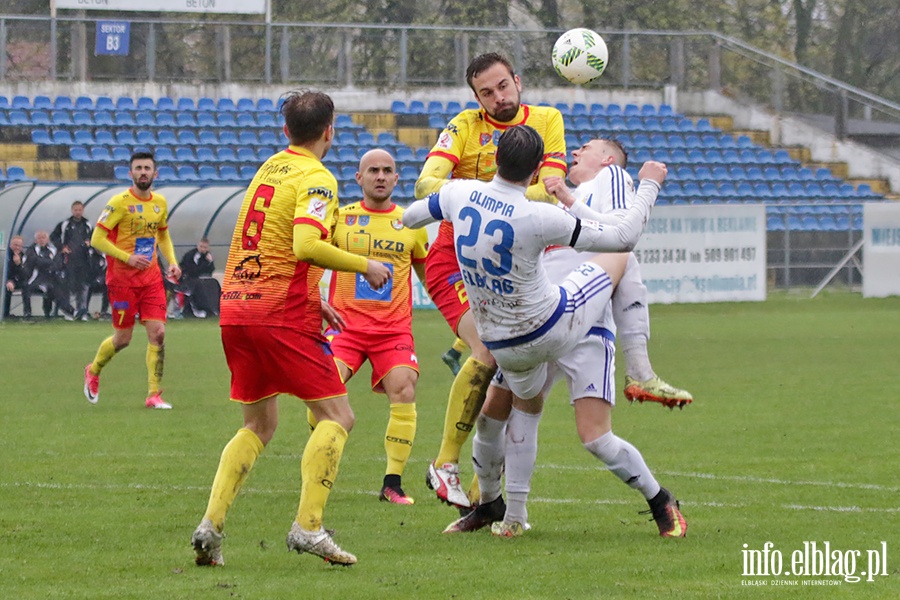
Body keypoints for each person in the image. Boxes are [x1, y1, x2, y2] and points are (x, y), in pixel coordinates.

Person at [444, 137, 688, 539]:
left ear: (607, 159)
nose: (576, 151)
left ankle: (660, 500)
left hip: (585, 322)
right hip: (536, 319)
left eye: (587, 147)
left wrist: (572, 197)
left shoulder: (608, 178)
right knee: (493, 418)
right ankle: (498, 509)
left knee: (595, 438)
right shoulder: (555, 199)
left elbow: (621, 238)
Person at [190, 90, 391, 568]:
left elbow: (277, 238)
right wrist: (366, 264)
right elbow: (304, 244)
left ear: (286, 132)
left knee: (259, 424)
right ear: (329, 130)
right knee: (337, 417)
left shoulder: (270, 167)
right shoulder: (317, 178)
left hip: (238, 308)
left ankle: (211, 526)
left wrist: (315, 297)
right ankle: (309, 527)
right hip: (280, 314)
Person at [404, 125, 661, 402]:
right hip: (549, 330)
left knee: (512, 410)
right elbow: (624, 237)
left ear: (496, 158)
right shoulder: (540, 215)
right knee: (623, 258)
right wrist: (649, 184)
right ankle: (639, 368)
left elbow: (409, 219)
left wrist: (449, 198)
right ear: (538, 168)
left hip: (500, 346)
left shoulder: (458, 192)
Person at [414, 52, 568, 509]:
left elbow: (555, 185)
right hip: (455, 258)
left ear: (517, 82)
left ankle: (487, 496)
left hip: (512, 265)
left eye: (503, 86)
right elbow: (426, 184)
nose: (498, 97)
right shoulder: (463, 126)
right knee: (488, 347)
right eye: (487, 92)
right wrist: (503, 197)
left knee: (509, 372)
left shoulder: (547, 119)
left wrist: (485, 196)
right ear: (476, 97)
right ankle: (444, 464)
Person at [310, 148, 429, 505]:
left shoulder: (411, 225)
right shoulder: (340, 219)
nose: (380, 176)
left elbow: (431, 276)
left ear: (396, 179)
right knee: (322, 389)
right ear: (358, 178)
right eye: (373, 170)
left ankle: (392, 483)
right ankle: (319, 467)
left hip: (393, 331)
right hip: (344, 327)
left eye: (387, 171)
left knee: (404, 388)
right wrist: (315, 301)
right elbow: (311, 260)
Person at [82, 151, 182, 409]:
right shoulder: (118, 203)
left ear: (155, 173)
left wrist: (172, 262)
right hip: (122, 281)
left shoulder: (160, 203)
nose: (143, 172)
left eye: (147, 168)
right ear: (131, 173)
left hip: (150, 280)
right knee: (122, 339)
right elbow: (97, 239)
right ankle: (93, 370)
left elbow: (163, 236)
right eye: (138, 168)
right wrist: (127, 258)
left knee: (158, 334)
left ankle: (153, 394)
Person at [51, 200, 94, 321]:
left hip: (84, 260)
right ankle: (69, 311)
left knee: (83, 286)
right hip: (68, 260)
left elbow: (96, 238)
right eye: (76, 210)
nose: (78, 212)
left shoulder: (88, 225)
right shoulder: (65, 224)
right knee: (67, 286)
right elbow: (53, 236)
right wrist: (62, 247)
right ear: (72, 210)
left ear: (83, 210)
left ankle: (82, 311)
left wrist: (90, 243)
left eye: (80, 210)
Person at [22, 230, 76, 320]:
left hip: (52, 278)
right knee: (26, 288)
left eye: (44, 238)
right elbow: (34, 261)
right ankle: (27, 313)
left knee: (57, 291)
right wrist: (49, 263)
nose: (42, 240)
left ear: (47, 240)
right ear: (36, 240)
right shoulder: (31, 250)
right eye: (39, 238)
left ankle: (71, 312)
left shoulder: (53, 250)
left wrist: (45, 263)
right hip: (36, 279)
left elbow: (58, 264)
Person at [171, 237, 217, 318]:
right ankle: (193, 309)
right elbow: (192, 270)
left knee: (212, 284)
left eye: (205, 247)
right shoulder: (190, 255)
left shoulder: (208, 257)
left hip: (202, 280)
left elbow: (210, 271)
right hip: (188, 279)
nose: (202, 249)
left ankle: (211, 308)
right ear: (198, 246)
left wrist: (210, 262)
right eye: (201, 246)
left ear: (208, 248)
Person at [4, 235, 28, 319]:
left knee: (26, 286)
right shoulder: (5, 255)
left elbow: (25, 274)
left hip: (16, 281)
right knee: (6, 289)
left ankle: (27, 313)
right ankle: (4, 313)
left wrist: (19, 264)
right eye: (15, 245)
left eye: (19, 246)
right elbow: (4, 271)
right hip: (4, 280)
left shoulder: (24, 256)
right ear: (10, 245)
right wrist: (8, 281)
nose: (17, 247)